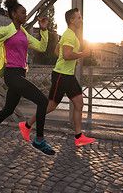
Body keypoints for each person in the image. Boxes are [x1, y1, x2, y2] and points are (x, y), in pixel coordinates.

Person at [0, 0, 56, 156]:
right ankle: (39, 141)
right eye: (23, 13)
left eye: (26, 13)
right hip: (11, 75)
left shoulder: (24, 33)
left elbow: (41, 47)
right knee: (42, 101)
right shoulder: (7, 30)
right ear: (14, 14)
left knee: (8, 109)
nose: (25, 15)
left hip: (20, 74)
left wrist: (44, 30)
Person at [19, 8, 96, 146]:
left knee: (79, 104)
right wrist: (81, 54)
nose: (81, 20)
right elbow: (66, 55)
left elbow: (57, 51)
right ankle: (27, 125)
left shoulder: (69, 34)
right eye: (79, 17)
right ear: (71, 20)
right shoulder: (69, 35)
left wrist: (72, 58)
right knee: (51, 105)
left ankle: (78, 137)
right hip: (61, 75)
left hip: (67, 75)